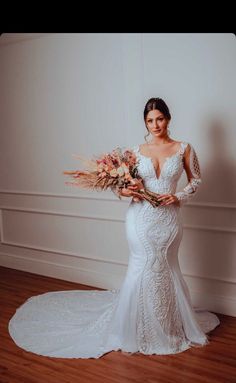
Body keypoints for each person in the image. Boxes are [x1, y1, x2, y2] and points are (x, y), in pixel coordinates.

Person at [8, 98, 220, 358]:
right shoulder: (134, 152)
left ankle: (169, 324)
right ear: (145, 122)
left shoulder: (184, 148)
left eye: (160, 119)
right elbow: (120, 186)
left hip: (169, 219)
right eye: (150, 120)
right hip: (139, 218)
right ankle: (136, 327)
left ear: (168, 118)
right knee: (142, 265)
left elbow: (196, 179)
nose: (155, 125)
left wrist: (179, 196)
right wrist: (127, 190)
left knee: (166, 265)